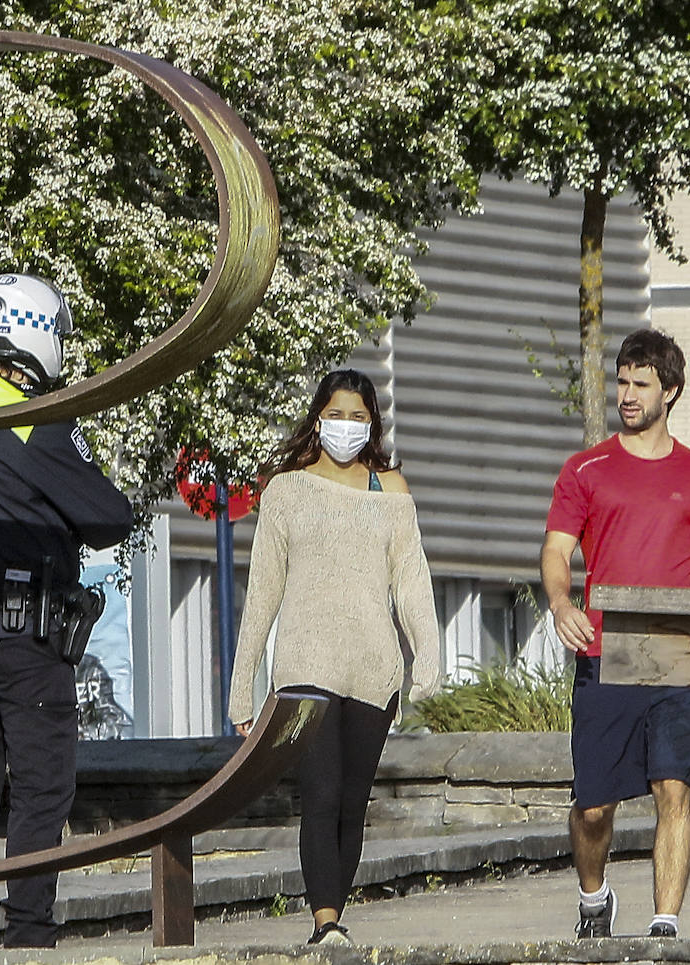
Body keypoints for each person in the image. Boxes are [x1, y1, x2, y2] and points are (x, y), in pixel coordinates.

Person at [0, 273, 134, 949]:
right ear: (35, 336)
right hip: (23, 638)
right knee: (42, 790)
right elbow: (110, 516)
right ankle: (30, 935)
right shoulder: (32, 424)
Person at [540, 328, 690, 941]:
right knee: (595, 806)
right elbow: (556, 550)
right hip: (608, 650)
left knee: (673, 786)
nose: (627, 395)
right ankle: (594, 896)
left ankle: (664, 928)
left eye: (641, 384)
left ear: (671, 391)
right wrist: (560, 602)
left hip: (682, 651)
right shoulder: (586, 469)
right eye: (622, 382)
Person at [227, 368, 442, 947]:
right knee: (320, 795)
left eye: (358, 416)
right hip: (304, 667)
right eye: (336, 413)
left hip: (373, 668)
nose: (345, 426)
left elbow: (412, 581)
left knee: (351, 802)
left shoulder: (390, 490)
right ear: (317, 417)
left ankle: (334, 920)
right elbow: (263, 591)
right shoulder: (286, 490)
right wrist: (241, 683)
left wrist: (428, 653)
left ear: (372, 423)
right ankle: (325, 923)